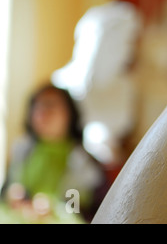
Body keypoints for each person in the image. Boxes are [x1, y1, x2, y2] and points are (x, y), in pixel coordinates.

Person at [1, 84, 109, 223]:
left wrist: (55, 208)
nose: (43, 112)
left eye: (50, 105)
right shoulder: (22, 152)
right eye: (37, 106)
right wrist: (12, 194)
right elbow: (7, 191)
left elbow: (96, 209)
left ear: (70, 114)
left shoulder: (82, 160)